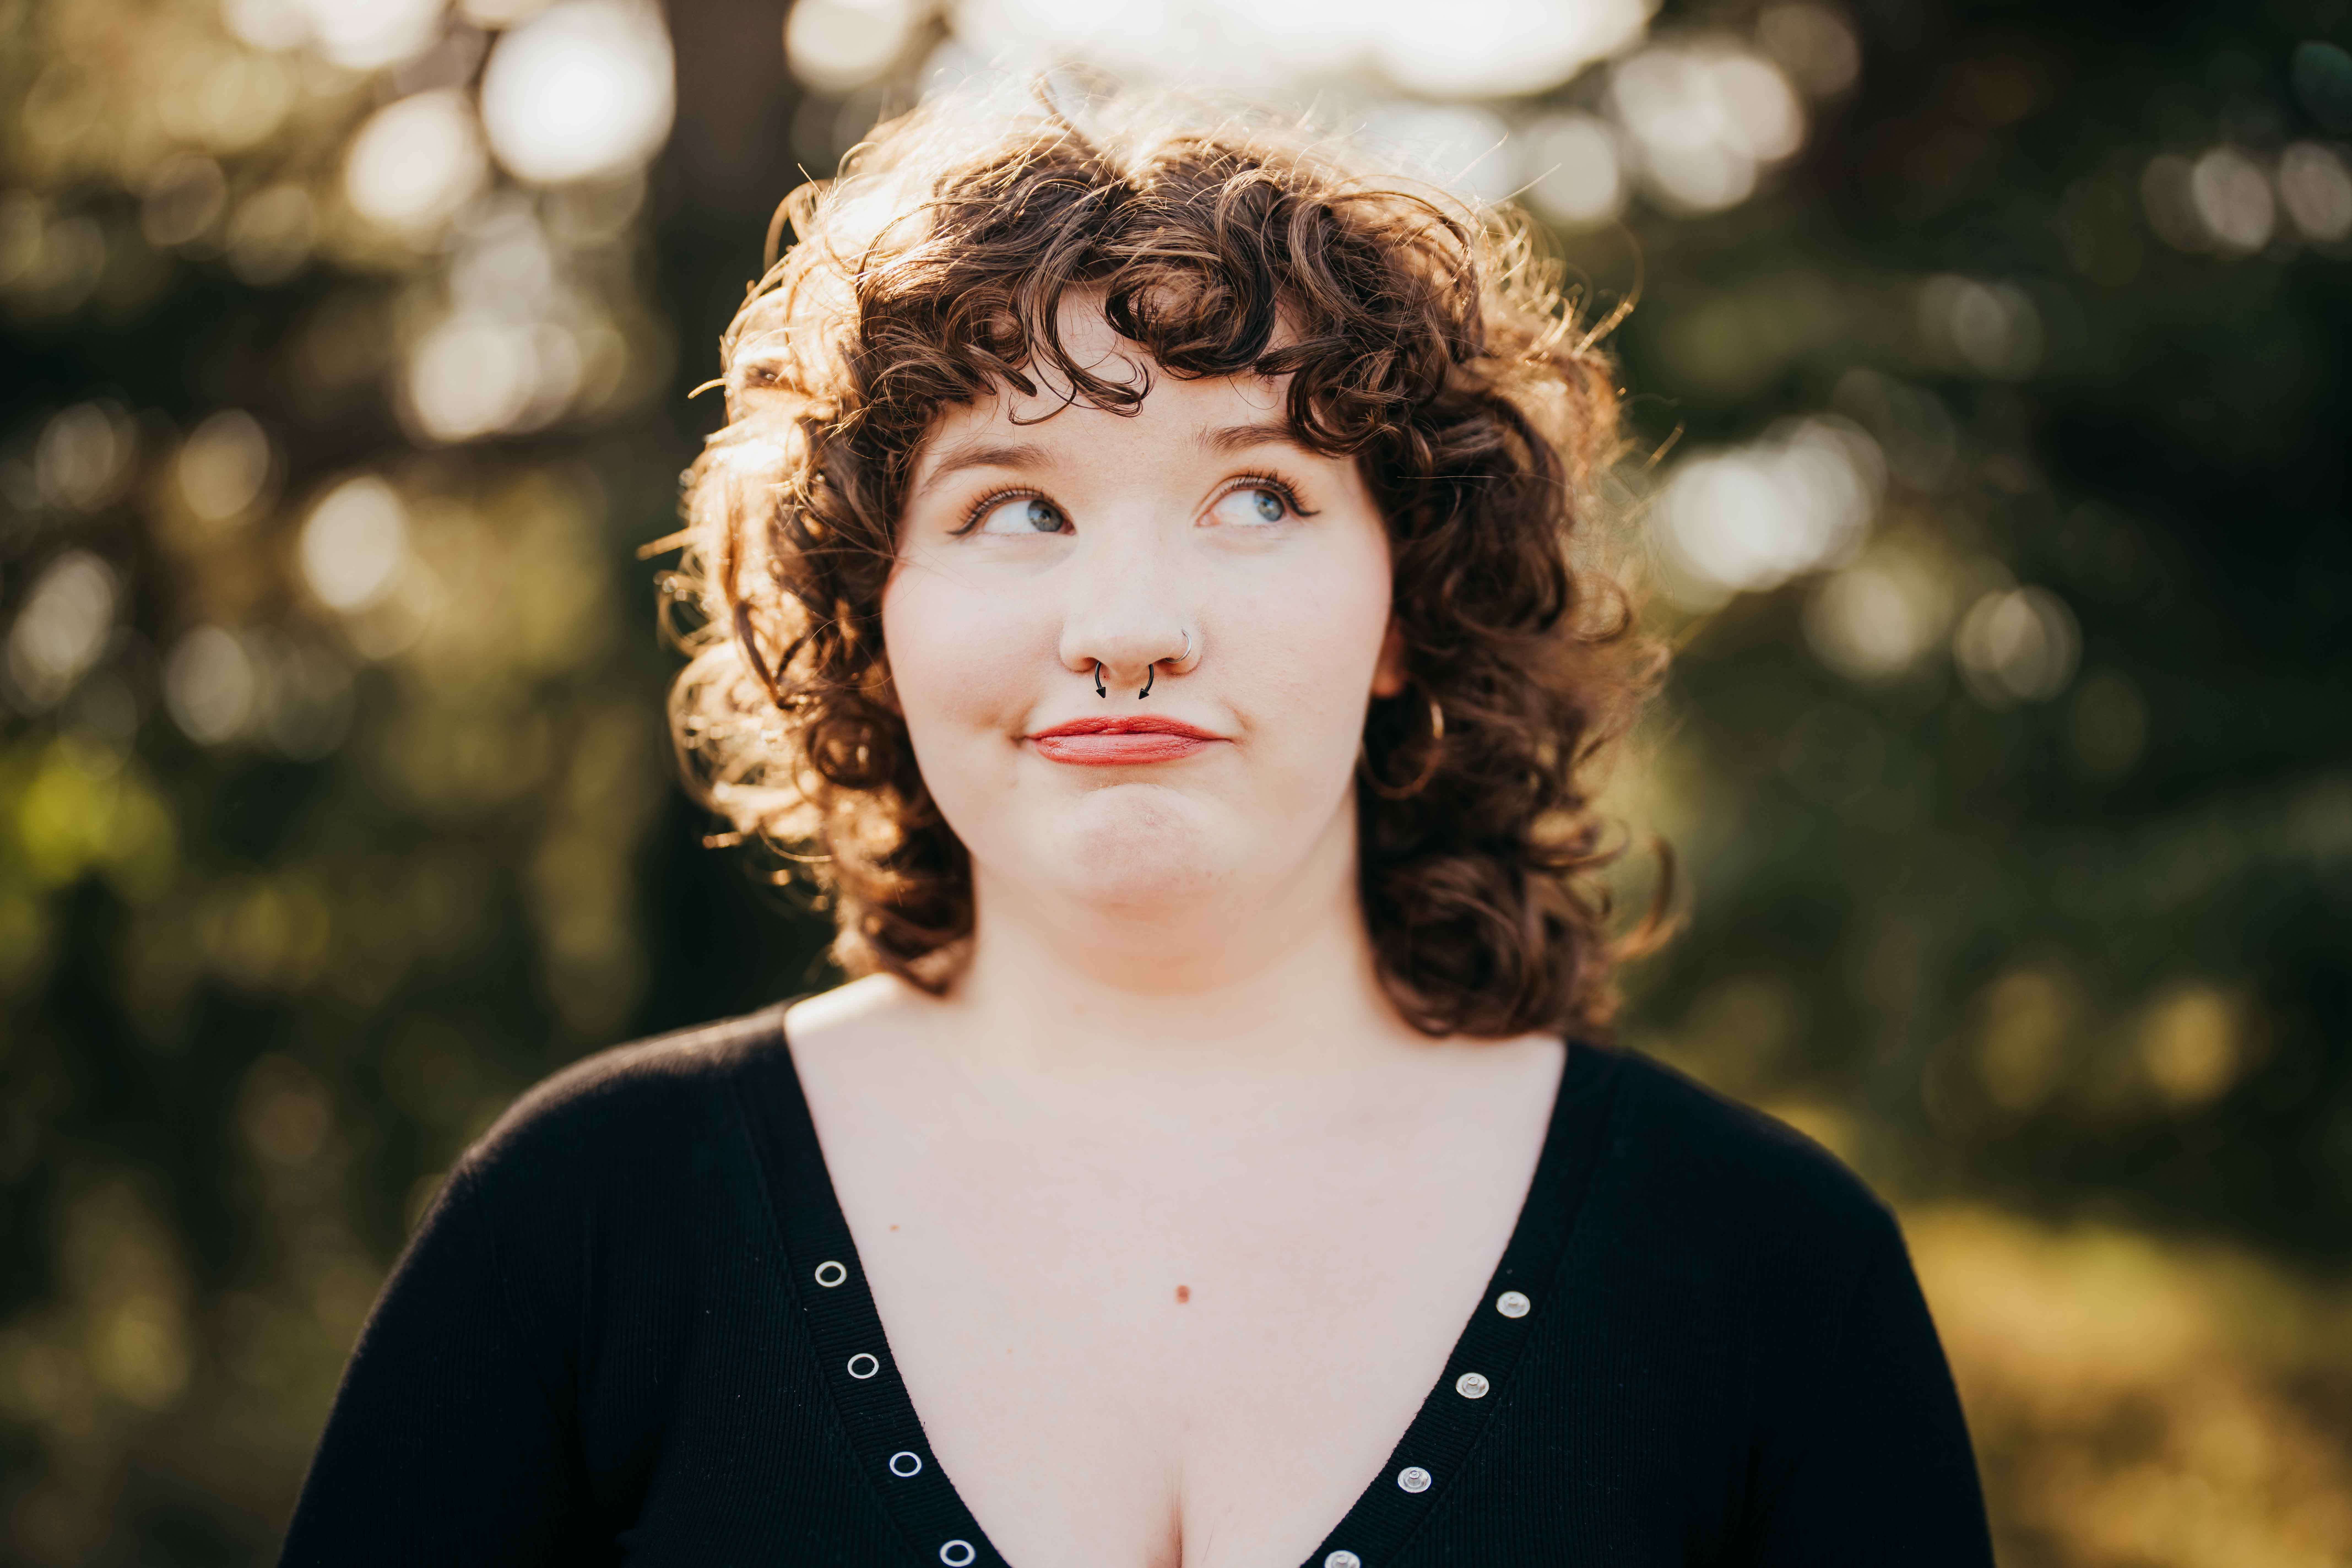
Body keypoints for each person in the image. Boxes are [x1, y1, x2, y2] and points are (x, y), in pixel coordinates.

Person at [279, 90, 1994, 1568]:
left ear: (1409, 611)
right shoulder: (582, 1227)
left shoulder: (1773, 1273)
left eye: (1260, 495)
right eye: (1012, 506)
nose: (1129, 622)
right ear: (877, 616)